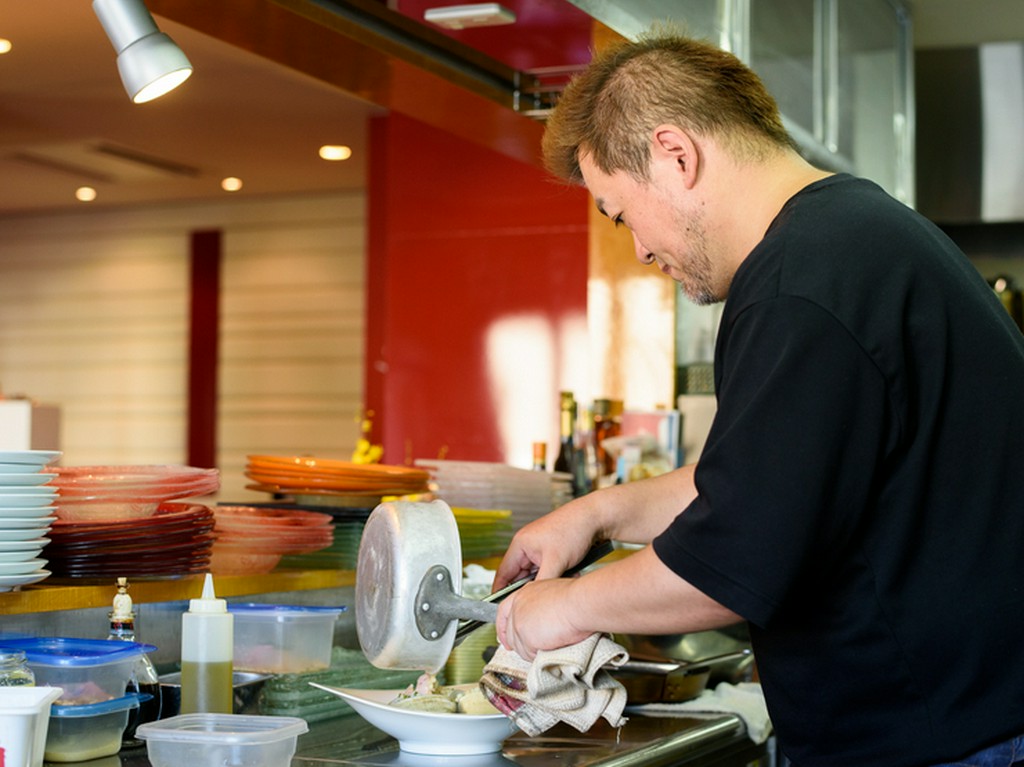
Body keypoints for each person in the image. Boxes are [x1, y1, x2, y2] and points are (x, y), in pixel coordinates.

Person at [491, 30, 1024, 767]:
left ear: (677, 156)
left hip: (935, 739)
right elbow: (766, 486)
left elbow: (732, 562)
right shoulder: (852, 238)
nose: (639, 250)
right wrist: (596, 513)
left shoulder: (797, 284)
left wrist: (556, 609)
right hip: (968, 720)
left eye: (620, 212)